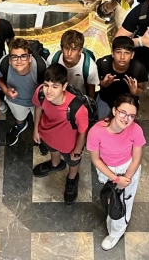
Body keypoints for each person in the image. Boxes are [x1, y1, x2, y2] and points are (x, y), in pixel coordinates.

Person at [87, 94, 145, 251]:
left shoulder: (136, 130)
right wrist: (114, 178)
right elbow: (96, 160)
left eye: (131, 116)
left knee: (123, 202)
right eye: (123, 113)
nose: (126, 119)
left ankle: (116, 232)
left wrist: (125, 179)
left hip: (128, 170)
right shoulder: (96, 132)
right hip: (107, 170)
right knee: (110, 197)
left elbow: (136, 158)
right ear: (114, 110)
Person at [32, 63, 89, 205]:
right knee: (53, 150)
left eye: (55, 86)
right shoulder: (40, 93)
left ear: (64, 87)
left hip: (69, 145)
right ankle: (55, 164)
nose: (48, 91)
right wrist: (36, 129)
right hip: (47, 135)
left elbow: (82, 132)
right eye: (46, 85)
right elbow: (38, 108)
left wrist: (77, 150)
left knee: (73, 162)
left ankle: (72, 178)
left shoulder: (77, 108)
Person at [0, 37, 43, 146]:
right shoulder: (3, 64)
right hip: (16, 101)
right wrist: (5, 90)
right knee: (19, 117)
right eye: (14, 57)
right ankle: (20, 125)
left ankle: (41, 133)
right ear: (10, 60)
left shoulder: (41, 67)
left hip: (38, 103)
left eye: (23, 56)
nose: (19, 61)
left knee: (40, 122)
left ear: (30, 58)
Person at [95, 36, 148, 119]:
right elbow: (95, 82)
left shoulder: (138, 68)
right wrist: (104, 84)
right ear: (112, 53)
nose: (122, 57)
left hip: (127, 102)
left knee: (125, 124)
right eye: (118, 52)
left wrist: (134, 91)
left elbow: (141, 89)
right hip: (105, 99)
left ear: (132, 55)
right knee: (99, 122)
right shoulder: (103, 64)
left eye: (127, 53)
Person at [51, 30, 99, 98]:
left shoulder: (90, 67)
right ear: (61, 48)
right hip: (57, 97)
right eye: (66, 48)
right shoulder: (53, 59)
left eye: (74, 49)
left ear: (80, 51)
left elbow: (91, 89)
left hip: (78, 99)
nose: (69, 53)